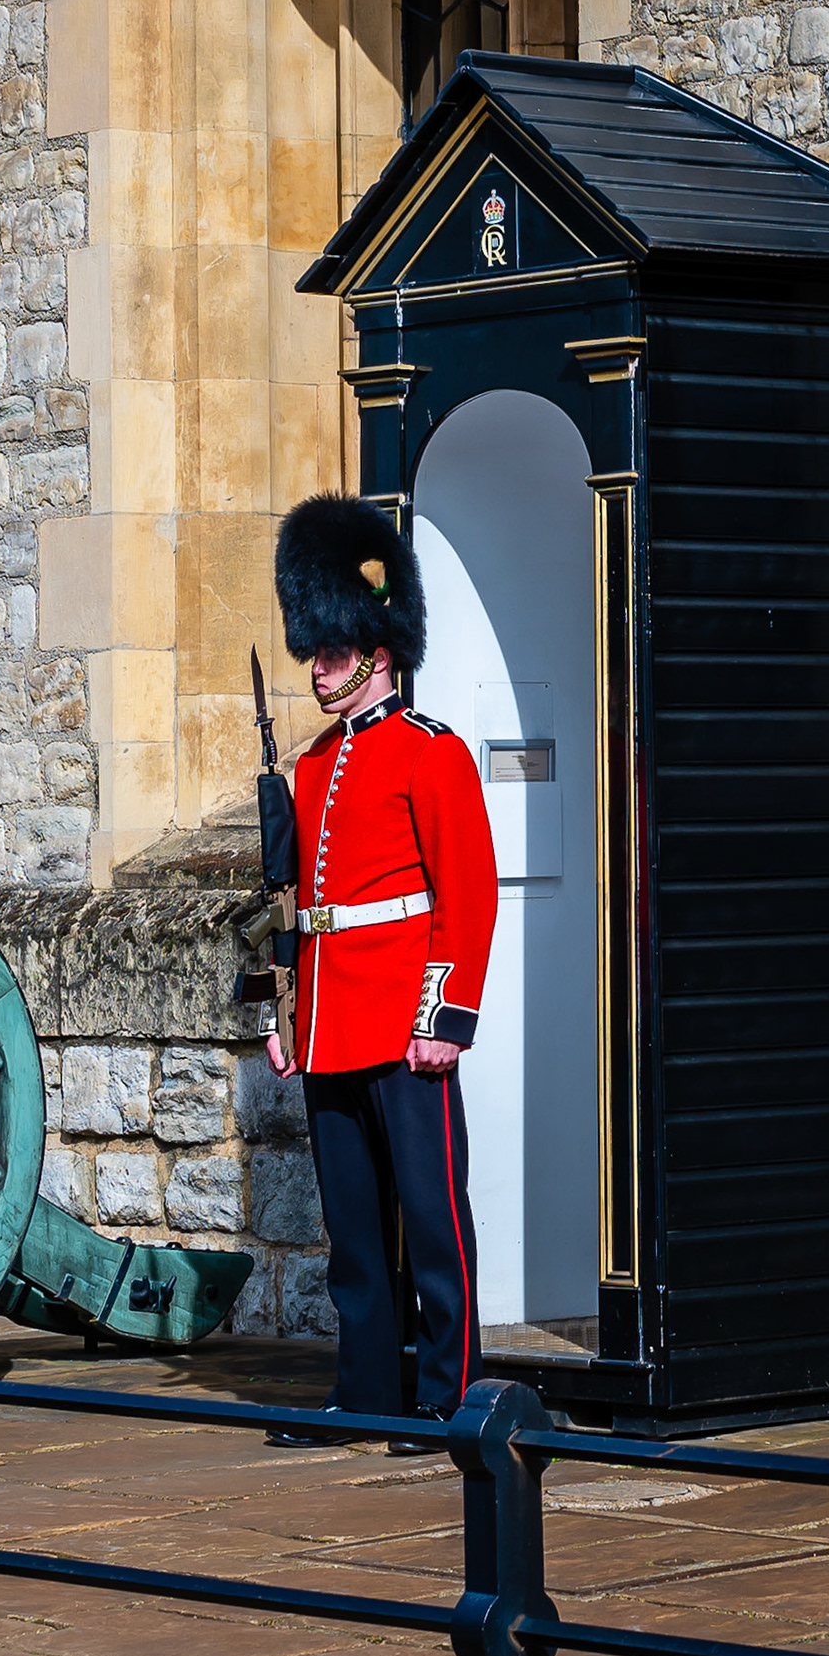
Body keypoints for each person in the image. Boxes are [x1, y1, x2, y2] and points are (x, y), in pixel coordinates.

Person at [262, 493, 498, 1452]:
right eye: (312, 651)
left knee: (434, 1223)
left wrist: (443, 1018)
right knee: (353, 1236)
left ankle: (451, 1394)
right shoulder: (313, 767)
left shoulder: (431, 755)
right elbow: (291, 909)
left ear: (379, 646)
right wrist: (280, 1013)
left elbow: (465, 896)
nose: (317, 669)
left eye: (331, 651)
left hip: (405, 1019)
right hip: (326, 1022)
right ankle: (367, 1393)